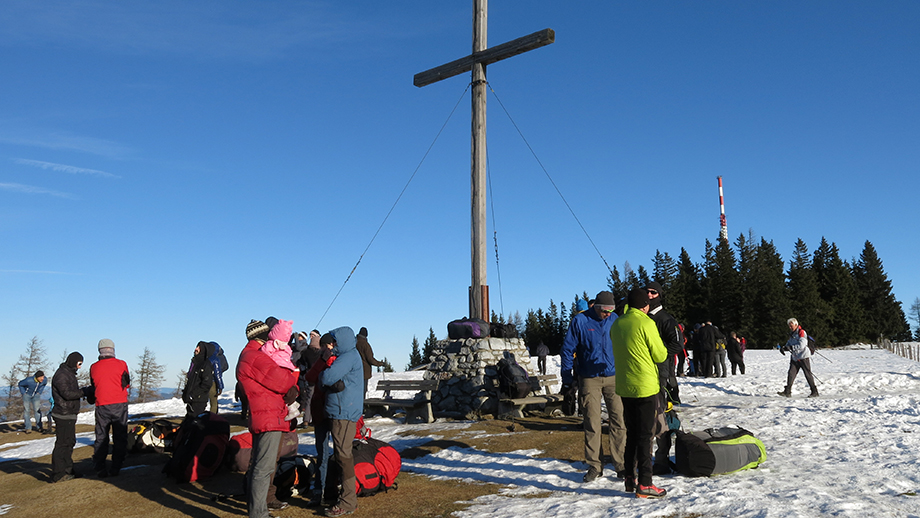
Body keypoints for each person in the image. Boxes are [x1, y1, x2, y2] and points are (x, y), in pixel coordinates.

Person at [560, 290, 626, 483]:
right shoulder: (580, 322)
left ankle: (621, 463)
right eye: (604, 310)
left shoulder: (616, 320)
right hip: (589, 378)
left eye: (610, 310)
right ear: (595, 307)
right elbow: (567, 349)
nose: (607, 314)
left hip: (614, 377)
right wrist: (567, 377)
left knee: (619, 421)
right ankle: (595, 465)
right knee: (592, 421)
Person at [610, 288, 669, 498]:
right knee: (645, 436)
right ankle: (645, 483)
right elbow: (661, 355)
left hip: (625, 386)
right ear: (644, 306)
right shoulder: (646, 323)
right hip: (645, 386)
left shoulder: (617, 323)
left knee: (632, 434)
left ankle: (629, 477)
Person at [237, 319, 299, 518]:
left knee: (260, 467)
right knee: (263, 469)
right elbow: (282, 380)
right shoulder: (254, 356)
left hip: (265, 416)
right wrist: (295, 377)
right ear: (263, 337)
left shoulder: (249, 356)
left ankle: (259, 511)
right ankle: (258, 514)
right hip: (269, 417)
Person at [319, 326, 364, 517]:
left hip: (343, 411)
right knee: (341, 454)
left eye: (335, 341)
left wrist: (323, 375)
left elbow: (327, 377)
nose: (333, 344)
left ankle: (347, 502)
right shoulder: (349, 355)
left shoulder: (347, 357)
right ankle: (344, 497)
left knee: (343, 456)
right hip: (343, 409)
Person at [645, 282, 683, 475]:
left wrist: (659, 356)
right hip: (643, 375)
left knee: (661, 420)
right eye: (646, 292)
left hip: (661, 375)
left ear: (659, 295)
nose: (649, 295)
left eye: (653, 292)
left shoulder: (665, 318)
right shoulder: (643, 318)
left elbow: (678, 344)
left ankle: (661, 460)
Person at [304, 333, 337, 507]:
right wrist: (323, 361)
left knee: (340, 452)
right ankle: (319, 491)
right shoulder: (320, 361)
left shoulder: (340, 361)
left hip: (335, 411)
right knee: (322, 454)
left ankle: (334, 488)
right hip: (320, 412)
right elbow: (309, 378)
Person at [89, 338, 130, 478]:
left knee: (101, 437)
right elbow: (127, 383)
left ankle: (100, 467)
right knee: (120, 437)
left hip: (101, 405)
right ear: (113, 350)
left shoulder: (94, 367)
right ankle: (116, 467)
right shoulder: (122, 364)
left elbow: (94, 385)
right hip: (119, 403)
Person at [50, 352, 90, 482]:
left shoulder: (68, 374)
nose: (79, 367)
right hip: (63, 414)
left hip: (69, 413)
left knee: (69, 442)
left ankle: (68, 469)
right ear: (73, 362)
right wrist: (84, 392)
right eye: (79, 364)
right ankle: (59, 473)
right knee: (63, 443)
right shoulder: (61, 374)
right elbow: (67, 394)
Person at [261, 319, 302, 421]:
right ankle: (292, 404)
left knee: (278, 387)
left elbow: (265, 354)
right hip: (288, 368)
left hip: (277, 367)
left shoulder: (272, 343)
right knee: (286, 387)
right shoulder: (286, 346)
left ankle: (291, 406)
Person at [778, 318, 819, 398]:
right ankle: (787, 391)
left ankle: (814, 391)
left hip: (803, 356)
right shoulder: (792, 334)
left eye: (791, 326)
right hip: (795, 357)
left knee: (807, 374)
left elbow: (802, 345)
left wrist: (791, 348)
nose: (790, 327)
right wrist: (784, 348)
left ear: (796, 325)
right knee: (791, 374)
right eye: (789, 326)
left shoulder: (801, 332)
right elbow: (789, 343)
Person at [183, 341, 215, 417]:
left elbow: (206, 384)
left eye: (199, 348)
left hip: (199, 400)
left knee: (196, 423)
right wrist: (186, 393)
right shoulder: (194, 363)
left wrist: (194, 394)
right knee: (189, 422)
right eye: (197, 347)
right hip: (191, 399)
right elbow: (190, 380)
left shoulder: (206, 365)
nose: (196, 349)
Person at [355, 327, 385, 396]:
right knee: (363, 391)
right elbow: (370, 359)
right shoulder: (365, 345)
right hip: (364, 372)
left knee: (356, 391)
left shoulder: (354, 343)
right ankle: (361, 405)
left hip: (354, 371)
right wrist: (380, 363)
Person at [208, 341, 229, 414]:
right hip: (215, 380)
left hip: (209, 379)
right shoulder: (222, 357)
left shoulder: (209, 357)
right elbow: (226, 367)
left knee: (209, 401)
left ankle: (211, 418)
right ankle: (214, 416)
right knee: (214, 400)